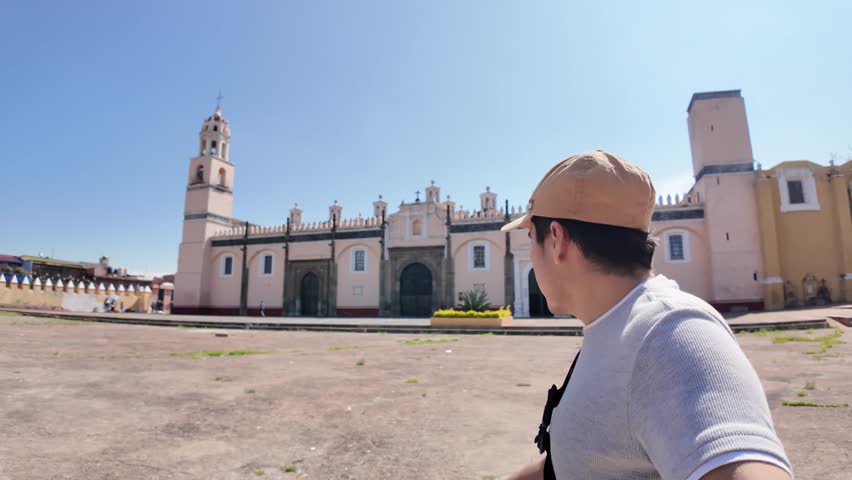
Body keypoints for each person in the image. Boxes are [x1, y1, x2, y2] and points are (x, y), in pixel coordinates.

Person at [503, 151, 791, 480]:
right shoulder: (617, 326)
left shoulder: (672, 332)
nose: (531, 253)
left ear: (556, 239)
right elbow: (586, 460)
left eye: (530, 238)